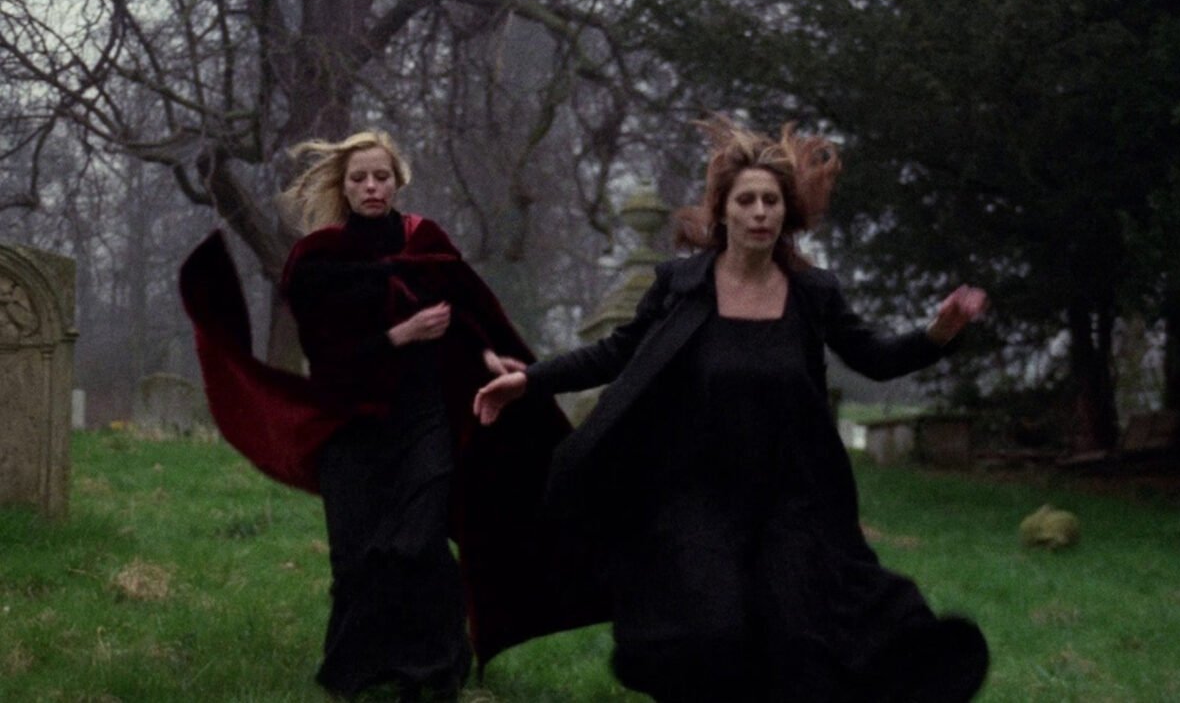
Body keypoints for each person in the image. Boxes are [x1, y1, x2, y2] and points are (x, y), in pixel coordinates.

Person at [474, 117, 991, 703]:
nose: (760, 212)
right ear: (722, 211)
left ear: (786, 212)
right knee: (710, 631)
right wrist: (530, 380)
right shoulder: (682, 286)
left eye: (771, 200)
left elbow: (873, 357)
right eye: (747, 200)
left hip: (792, 498)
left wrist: (938, 333)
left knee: (803, 632)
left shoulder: (812, 293)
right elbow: (617, 352)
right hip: (698, 496)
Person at [179, 130, 606, 701]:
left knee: (417, 542)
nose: (371, 187)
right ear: (343, 187)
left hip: (423, 417)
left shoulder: (425, 241)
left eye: (381, 176)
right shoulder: (318, 260)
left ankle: (434, 672)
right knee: (357, 555)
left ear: (397, 181)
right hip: (349, 422)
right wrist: (398, 335)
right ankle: (359, 672)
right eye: (359, 178)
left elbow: (468, 313)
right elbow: (327, 358)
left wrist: (487, 355)